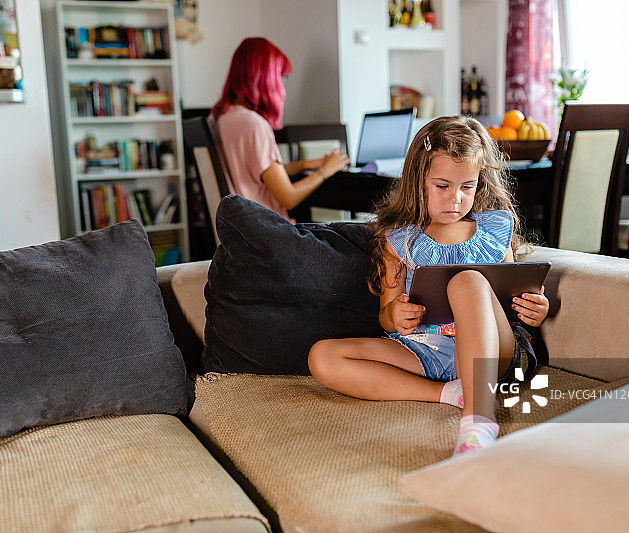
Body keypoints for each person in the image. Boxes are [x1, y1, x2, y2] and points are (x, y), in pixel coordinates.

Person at [308, 115, 549, 456]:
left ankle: (478, 423)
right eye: (442, 186)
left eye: (467, 187)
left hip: (490, 350)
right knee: (323, 356)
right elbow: (386, 317)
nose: (455, 198)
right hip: (423, 350)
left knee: (467, 280)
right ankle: (450, 393)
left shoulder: (495, 229)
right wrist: (397, 315)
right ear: (419, 181)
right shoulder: (399, 240)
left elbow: (512, 297)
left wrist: (535, 309)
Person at [210, 37, 349, 221]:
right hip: (268, 235)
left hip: (241, 233)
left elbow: (256, 173)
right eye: (281, 78)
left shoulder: (220, 117)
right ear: (266, 78)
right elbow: (289, 198)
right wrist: (327, 171)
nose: (283, 87)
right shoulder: (253, 124)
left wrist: (305, 165)